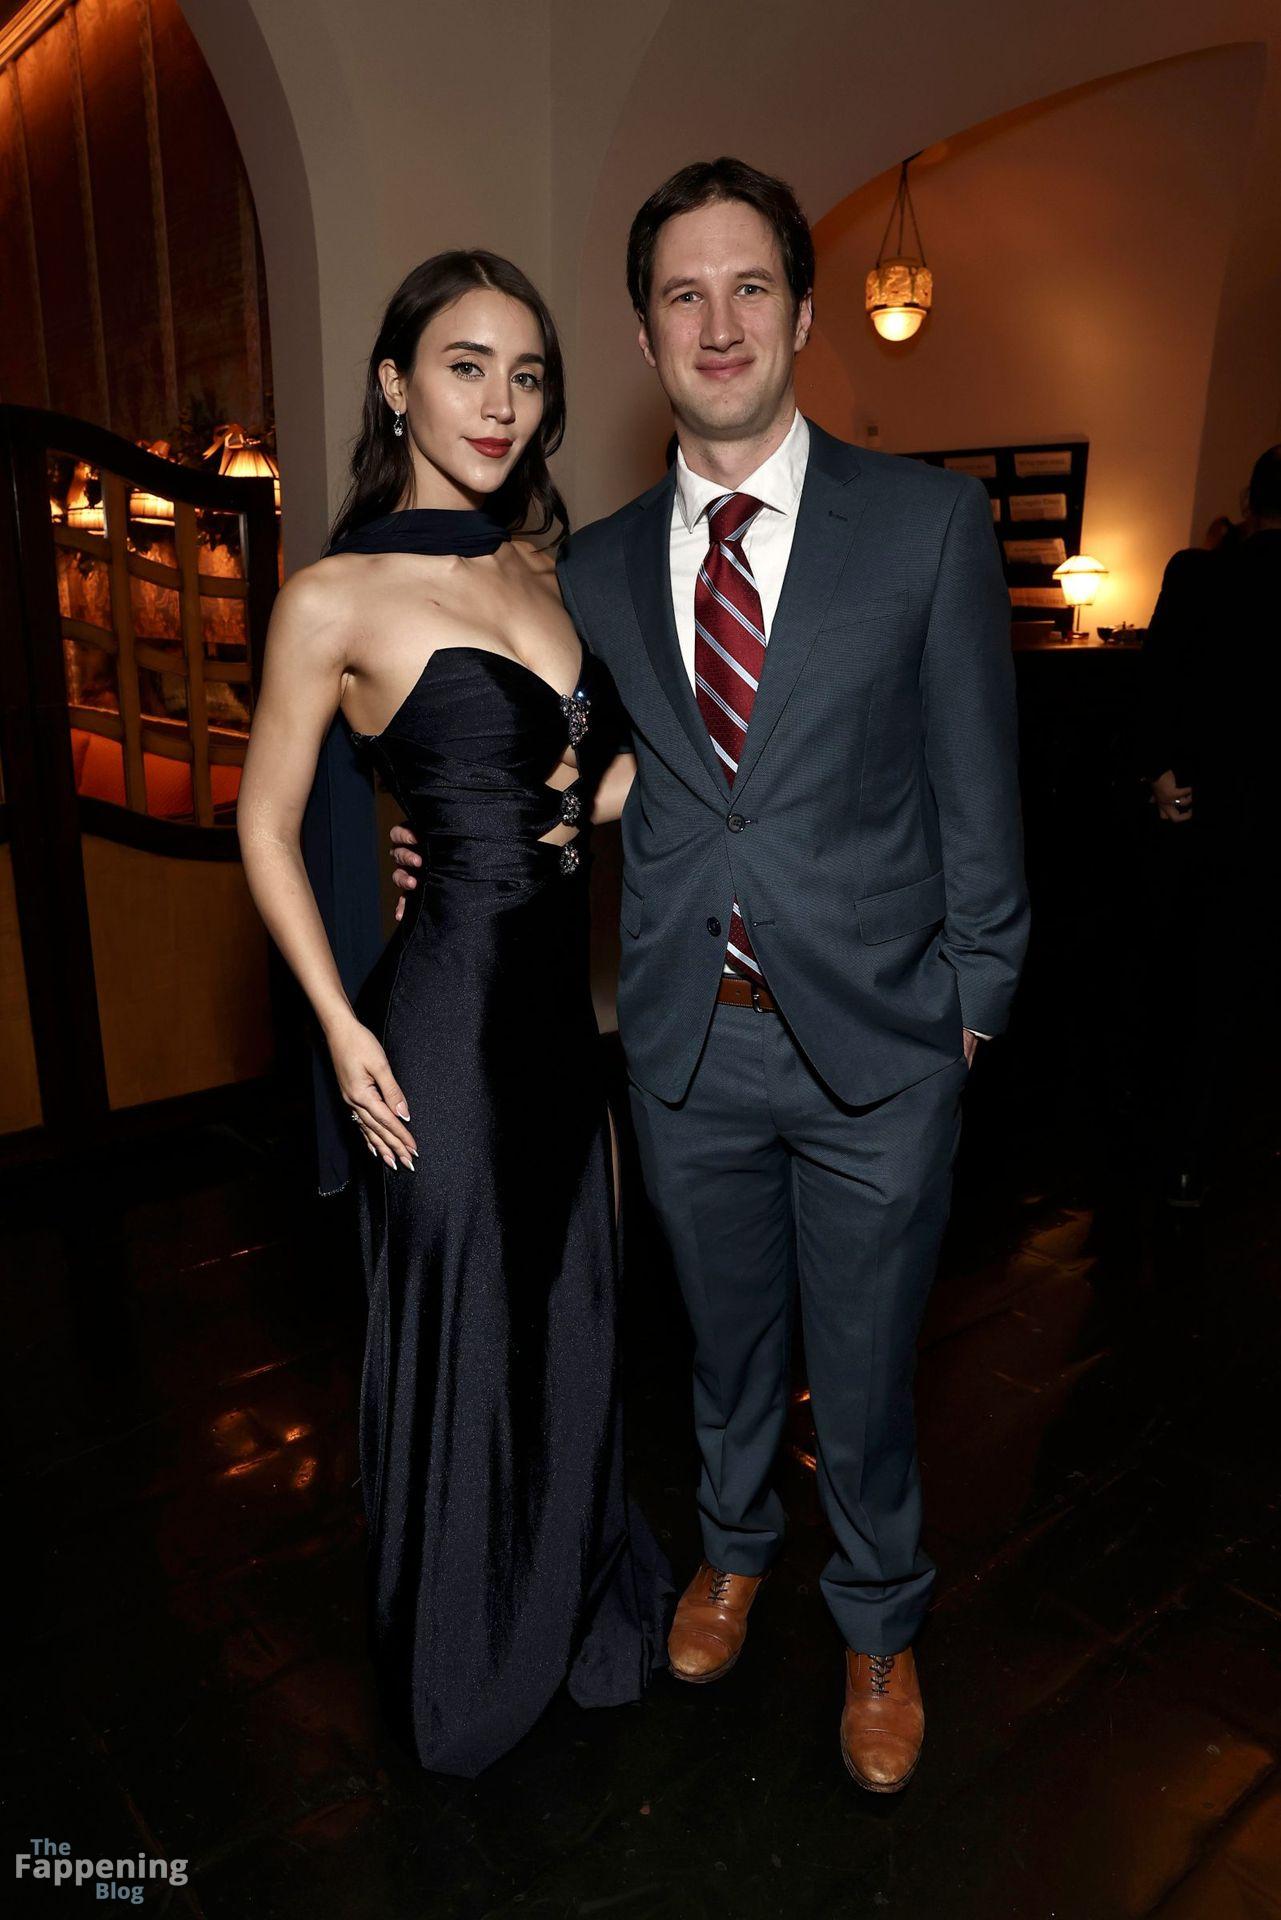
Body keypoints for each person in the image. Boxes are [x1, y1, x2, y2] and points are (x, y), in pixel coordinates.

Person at [393, 159, 1029, 1792]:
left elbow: (982, 801)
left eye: (750, 286)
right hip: (687, 1047)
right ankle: (734, 1554)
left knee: (868, 1372)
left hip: (883, 1052)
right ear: (644, 334)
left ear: (804, 314)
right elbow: (544, 758)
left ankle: (877, 1623)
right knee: (727, 1354)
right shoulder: (593, 569)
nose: (719, 321)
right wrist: (432, 840)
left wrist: (967, 1015)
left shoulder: (926, 527)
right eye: (683, 293)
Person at [237, 250, 669, 1779]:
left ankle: (566, 1607)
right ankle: (466, 1663)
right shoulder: (333, 595)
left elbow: (589, 784)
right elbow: (264, 824)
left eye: (526, 374)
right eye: (465, 365)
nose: (500, 403)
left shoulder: (546, 570)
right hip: (438, 1028)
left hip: (559, 1022)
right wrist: (338, 1030)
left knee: (572, 1315)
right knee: (470, 1332)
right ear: (395, 384)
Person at [1137, 443, 1281, 1203]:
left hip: (1202, 816)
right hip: (1253, 818)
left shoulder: (1195, 574)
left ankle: (1176, 1156)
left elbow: (1154, 685)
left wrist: (1161, 776)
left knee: (1186, 986)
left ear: (1250, 501)